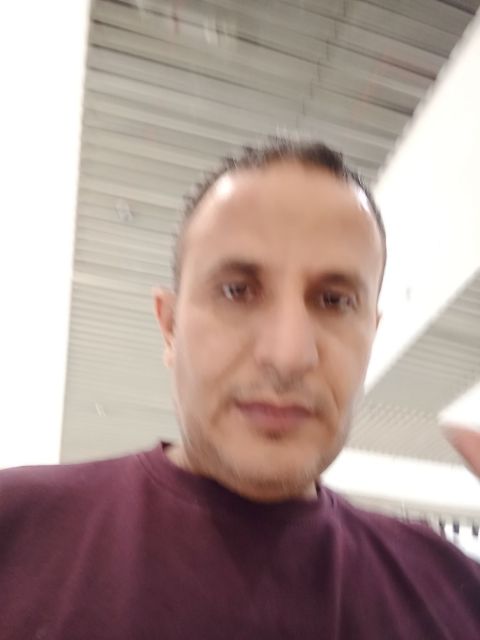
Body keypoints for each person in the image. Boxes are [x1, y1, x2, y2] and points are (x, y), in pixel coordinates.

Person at [0, 138, 478, 639]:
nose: (288, 355)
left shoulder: (455, 595)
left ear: (371, 336)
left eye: (334, 301)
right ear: (169, 327)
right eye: (237, 291)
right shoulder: (16, 532)